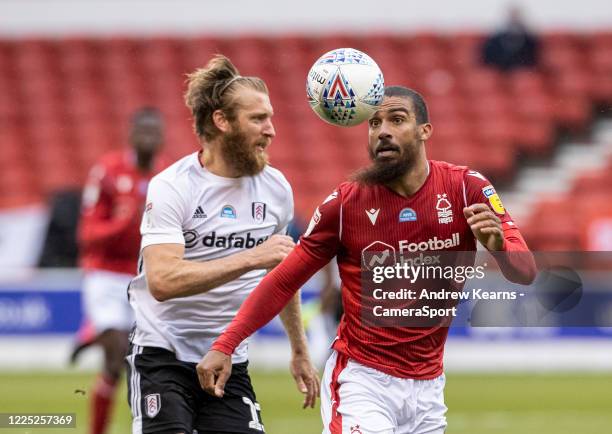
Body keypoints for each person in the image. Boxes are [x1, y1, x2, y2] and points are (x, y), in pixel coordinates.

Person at [197, 86, 538, 434]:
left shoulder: (467, 188)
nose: (383, 130)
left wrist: (497, 246)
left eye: (397, 119)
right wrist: (226, 344)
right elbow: (284, 280)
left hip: (429, 387)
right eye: (374, 123)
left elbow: (525, 272)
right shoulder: (345, 205)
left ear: (425, 131)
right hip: (363, 382)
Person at [126, 55, 319, 434]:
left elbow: (282, 272)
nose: (271, 130)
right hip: (163, 354)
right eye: (258, 119)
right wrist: (250, 258)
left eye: (271, 118)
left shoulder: (276, 189)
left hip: (228, 358)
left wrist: (298, 348)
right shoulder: (173, 186)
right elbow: (162, 282)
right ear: (222, 121)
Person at [73, 107, 166, 434]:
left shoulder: (167, 178)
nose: (148, 138)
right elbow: (86, 235)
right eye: (143, 131)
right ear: (130, 134)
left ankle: (90, 333)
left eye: (155, 132)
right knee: (118, 356)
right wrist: (122, 222)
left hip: (146, 278)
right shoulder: (108, 172)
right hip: (106, 276)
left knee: (140, 362)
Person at [482, 5, 539, 71]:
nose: (513, 19)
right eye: (511, 16)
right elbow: (488, 57)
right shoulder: (495, 39)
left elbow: (534, 57)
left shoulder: (529, 39)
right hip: (500, 67)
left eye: (516, 16)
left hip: (522, 69)